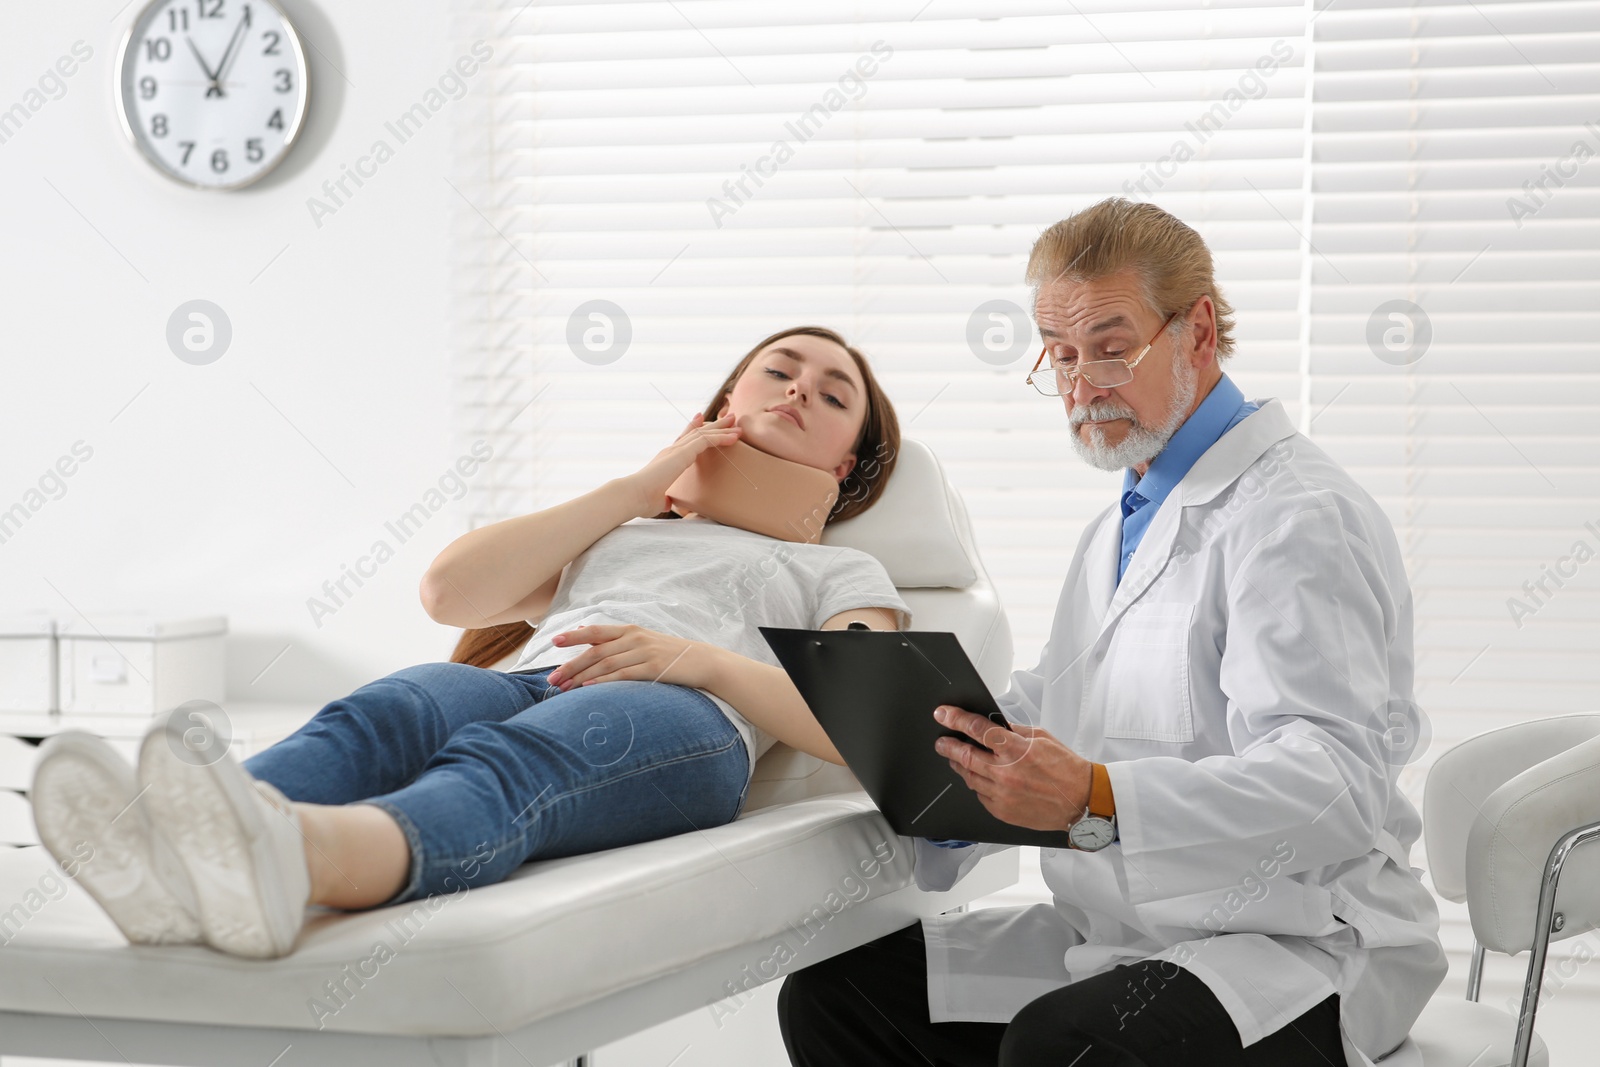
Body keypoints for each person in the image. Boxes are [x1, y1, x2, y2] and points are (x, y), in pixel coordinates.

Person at [777, 200, 1446, 1067]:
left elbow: (1337, 782)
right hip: (1124, 927)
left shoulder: (1296, 517)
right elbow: (1064, 698)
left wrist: (1096, 796)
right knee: (838, 997)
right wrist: (944, 762)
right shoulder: (1124, 522)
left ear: (1197, 331)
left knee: (1064, 1047)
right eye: (1060, 355)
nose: (1083, 384)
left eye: (1110, 345)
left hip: (1294, 945)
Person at [30, 325, 912, 960]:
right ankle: (175, 846)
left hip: (688, 714)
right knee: (393, 707)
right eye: (779, 372)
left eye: (833, 395)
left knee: (506, 761)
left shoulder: (840, 572)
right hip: (539, 671)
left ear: (842, 466)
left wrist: (697, 660)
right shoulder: (622, 527)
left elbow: (869, 729)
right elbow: (449, 591)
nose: (800, 390)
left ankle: (292, 855)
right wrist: (640, 486)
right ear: (727, 403)